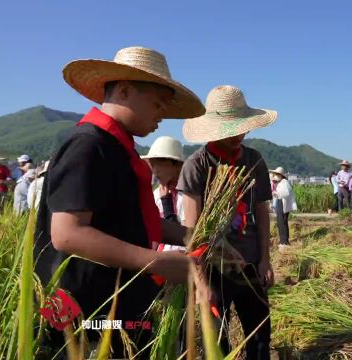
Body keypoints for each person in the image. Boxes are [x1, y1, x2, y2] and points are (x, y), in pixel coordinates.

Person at [34, 46, 206, 359]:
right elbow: (68, 233)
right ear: (125, 91)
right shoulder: (88, 145)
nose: (159, 118)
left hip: (114, 297)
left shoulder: (117, 148)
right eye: (156, 106)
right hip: (86, 307)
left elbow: (129, 220)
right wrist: (154, 261)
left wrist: (188, 235)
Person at [179, 85, 277, 360]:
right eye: (229, 129)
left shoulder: (254, 160)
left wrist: (265, 259)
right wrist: (201, 282)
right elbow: (193, 232)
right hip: (214, 268)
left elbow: (261, 212)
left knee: (259, 336)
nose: (237, 135)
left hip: (250, 264)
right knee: (218, 340)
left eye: (241, 127)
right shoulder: (197, 165)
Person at [143, 136, 185, 225]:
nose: (155, 171)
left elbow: (186, 233)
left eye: (159, 164)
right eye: (152, 165)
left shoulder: (188, 196)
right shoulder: (157, 194)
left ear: (176, 165)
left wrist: (167, 204)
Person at [270, 167, 297, 252]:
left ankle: (284, 242)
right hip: (280, 202)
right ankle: (283, 241)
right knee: (281, 222)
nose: (276, 176)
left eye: (277, 174)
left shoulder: (284, 182)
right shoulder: (280, 182)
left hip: (282, 203)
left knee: (282, 222)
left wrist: (276, 193)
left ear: (281, 175)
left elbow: (286, 193)